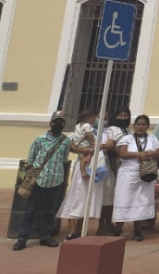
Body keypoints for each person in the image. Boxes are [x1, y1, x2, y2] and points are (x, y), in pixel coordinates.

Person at [14, 111, 73, 251]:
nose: (58, 124)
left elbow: (64, 159)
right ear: (51, 123)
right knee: (30, 210)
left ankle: (45, 236)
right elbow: (32, 158)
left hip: (56, 180)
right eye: (56, 121)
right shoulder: (40, 139)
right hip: (39, 180)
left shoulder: (65, 141)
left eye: (61, 122)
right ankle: (22, 238)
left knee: (50, 210)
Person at [58, 110, 109, 240]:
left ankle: (81, 230)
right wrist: (90, 149)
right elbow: (73, 147)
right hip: (83, 168)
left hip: (95, 167)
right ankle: (70, 231)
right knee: (77, 197)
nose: (99, 120)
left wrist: (97, 147)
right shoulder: (83, 130)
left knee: (87, 200)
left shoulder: (104, 134)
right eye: (97, 117)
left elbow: (107, 145)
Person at [113, 115, 159, 242]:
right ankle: (118, 228)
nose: (141, 127)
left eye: (144, 124)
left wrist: (151, 153)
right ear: (134, 125)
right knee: (124, 200)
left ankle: (138, 231)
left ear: (147, 126)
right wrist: (138, 154)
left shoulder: (152, 138)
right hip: (128, 174)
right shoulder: (127, 138)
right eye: (138, 124)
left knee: (140, 201)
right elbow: (122, 154)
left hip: (145, 174)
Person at [98, 108, 131, 236]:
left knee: (115, 197)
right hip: (111, 164)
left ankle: (109, 223)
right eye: (120, 115)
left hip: (124, 167)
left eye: (125, 116)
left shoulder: (128, 131)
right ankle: (102, 225)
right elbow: (110, 145)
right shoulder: (111, 130)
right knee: (107, 195)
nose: (123, 118)